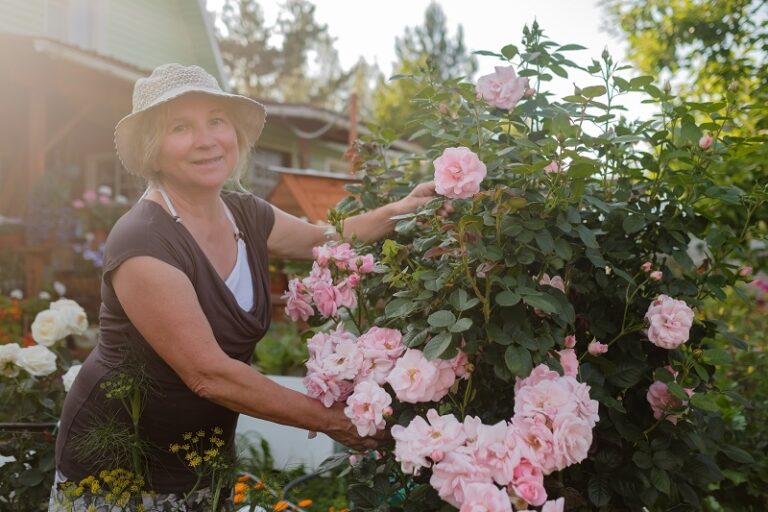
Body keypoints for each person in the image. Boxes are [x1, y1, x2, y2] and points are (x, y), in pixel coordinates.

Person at [50, 63, 438, 510]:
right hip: (117, 474)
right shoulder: (143, 240)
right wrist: (331, 420)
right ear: (153, 151)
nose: (207, 139)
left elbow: (329, 237)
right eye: (181, 127)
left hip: (203, 459)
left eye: (217, 121)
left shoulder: (245, 213)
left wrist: (406, 208)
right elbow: (207, 373)